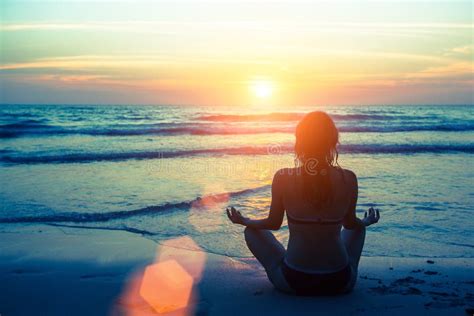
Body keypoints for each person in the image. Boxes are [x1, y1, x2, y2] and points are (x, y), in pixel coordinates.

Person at [226, 111, 380, 296]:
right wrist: (367, 222)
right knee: (358, 229)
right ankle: (345, 268)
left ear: (300, 142)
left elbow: (273, 223)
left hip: (294, 281)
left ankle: (292, 259)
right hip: (340, 282)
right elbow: (350, 224)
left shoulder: (283, 177)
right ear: (332, 142)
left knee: (251, 231)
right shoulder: (348, 178)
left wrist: (246, 221)